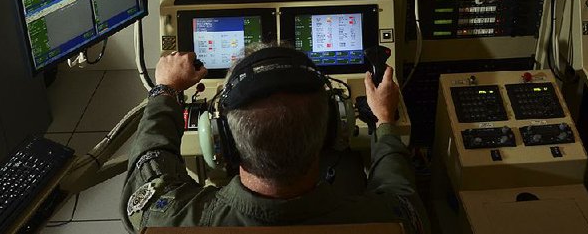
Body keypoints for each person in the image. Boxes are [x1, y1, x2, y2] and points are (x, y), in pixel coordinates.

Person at [121, 46, 428, 233]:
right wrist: (385, 121)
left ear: (221, 141)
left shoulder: (166, 219)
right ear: (335, 129)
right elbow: (400, 192)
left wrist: (165, 90)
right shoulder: (391, 220)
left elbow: (150, 162)